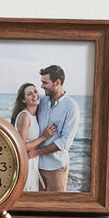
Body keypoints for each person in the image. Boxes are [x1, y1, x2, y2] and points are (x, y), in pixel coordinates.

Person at [32, 65, 80, 193]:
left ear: (57, 82)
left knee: (55, 204)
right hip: (36, 166)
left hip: (56, 168)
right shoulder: (41, 101)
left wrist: (37, 152)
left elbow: (64, 142)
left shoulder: (71, 107)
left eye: (45, 83)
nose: (41, 86)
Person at [9, 83, 56, 190]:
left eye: (35, 91)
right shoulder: (25, 116)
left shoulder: (34, 115)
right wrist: (44, 137)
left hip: (33, 162)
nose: (35, 95)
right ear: (23, 100)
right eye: (29, 94)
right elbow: (22, 146)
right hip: (26, 163)